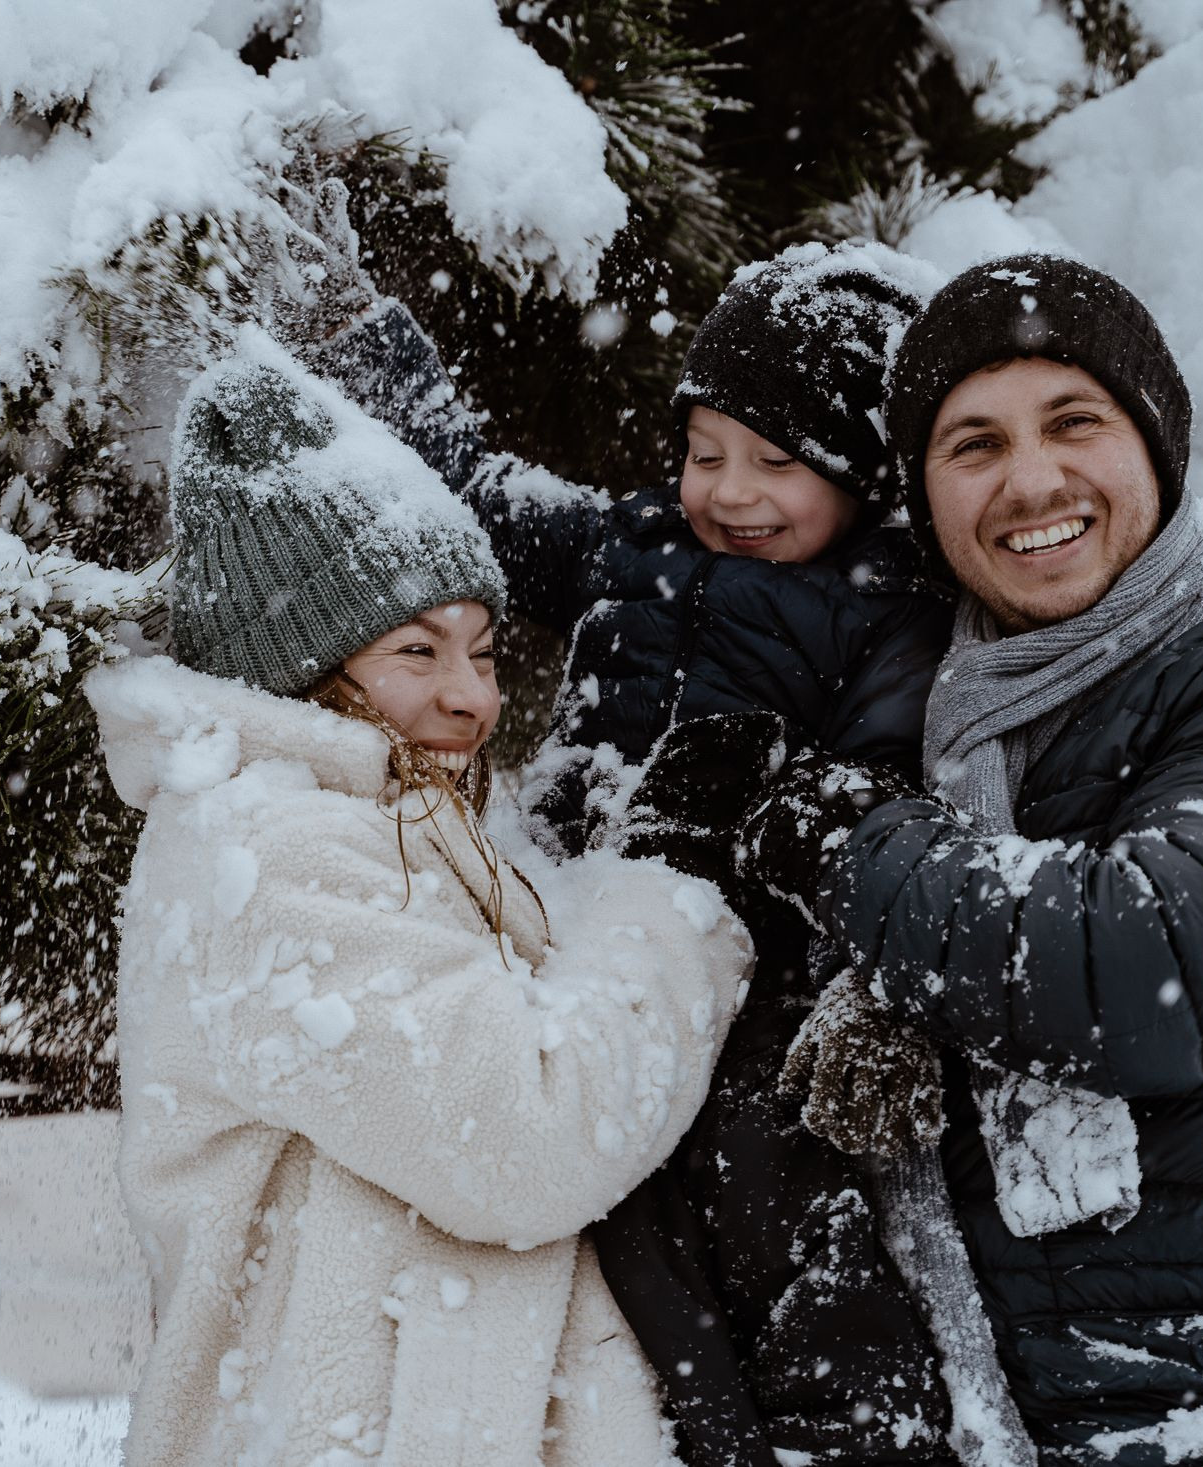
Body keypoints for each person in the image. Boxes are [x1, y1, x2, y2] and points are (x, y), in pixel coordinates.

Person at [651, 255, 1203, 1464]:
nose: (1031, 479)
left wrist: (836, 836)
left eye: (1073, 421)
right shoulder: (933, 727)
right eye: (972, 445)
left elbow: (1138, 971)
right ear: (922, 499)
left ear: (1157, 447)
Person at [323, 244, 969, 1464]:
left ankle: (844, 1437)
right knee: (603, 1235)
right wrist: (374, 348)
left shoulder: (891, 612)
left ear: (867, 469)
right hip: (573, 938)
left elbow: (885, 797)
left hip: (748, 984)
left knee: (756, 1220)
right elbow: (473, 492)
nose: (730, 491)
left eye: (778, 461)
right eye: (704, 450)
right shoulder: (632, 544)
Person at [88, 328, 753, 1467]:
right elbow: (533, 1138)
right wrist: (680, 907)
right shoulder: (265, 856)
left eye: (486, 653)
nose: (470, 699)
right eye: (414, 650)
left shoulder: (402, 826)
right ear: (295, 664)